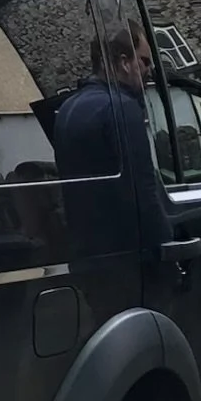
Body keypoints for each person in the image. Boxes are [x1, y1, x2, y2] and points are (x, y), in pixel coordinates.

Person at [53, 16, 175, 250]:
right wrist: (168, 249)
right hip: (127, 252)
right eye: (144, 61)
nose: (150, 69)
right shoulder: (121, 107)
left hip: (84, 250)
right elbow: (142, 191)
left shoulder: (68, 108)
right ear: (124, 63)